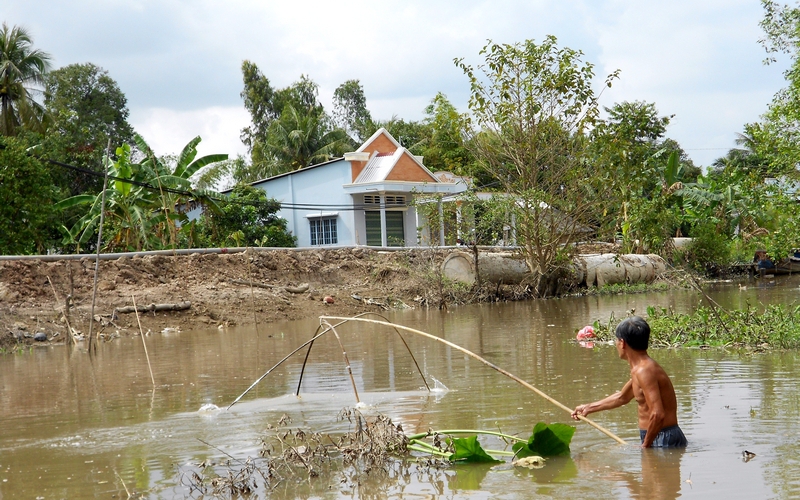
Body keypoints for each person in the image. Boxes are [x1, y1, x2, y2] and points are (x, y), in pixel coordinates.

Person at [571, 316, 687, 448]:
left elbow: (658, 414)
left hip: (662, 438)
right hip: (656, 436)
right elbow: (622, 397)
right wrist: (589, 407)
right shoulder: (641, 369)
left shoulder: (644, 371)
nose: (616, 344)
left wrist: (645, 445)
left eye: (616, 340)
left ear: (622, 343)